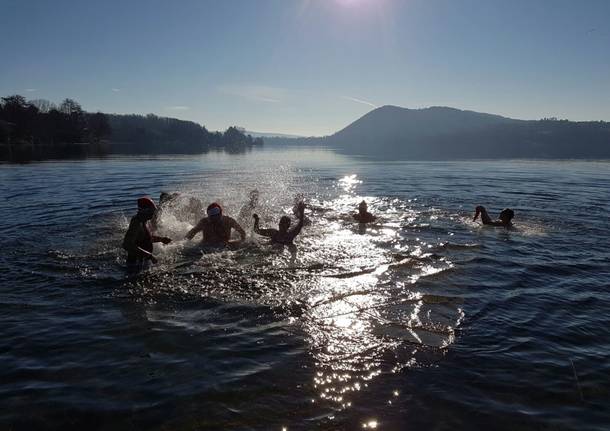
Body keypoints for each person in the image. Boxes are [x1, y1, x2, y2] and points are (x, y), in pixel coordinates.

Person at [123, 196, 172, 271]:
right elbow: (127, 244)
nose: (153, 214)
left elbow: (145, 238)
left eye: (153, 211)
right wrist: (149, 256)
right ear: (144, 211)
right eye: (151, 212)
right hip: (135, 265)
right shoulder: (136, 223)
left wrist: (161, 239)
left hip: (143, 262)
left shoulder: (144, 221)